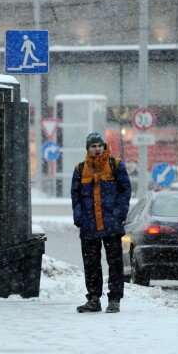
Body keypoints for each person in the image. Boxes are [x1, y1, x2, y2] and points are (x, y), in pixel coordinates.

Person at [71, 132, 131, 314]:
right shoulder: (80, 169)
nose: (97, 149)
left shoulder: (116, 165)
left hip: (111, 224)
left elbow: (125, 190)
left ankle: (114, 299)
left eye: (100, 145)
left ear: (104, 147)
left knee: (115, 263)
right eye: (93, 146)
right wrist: (79, 216)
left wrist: (119, 213)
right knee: (91, 264)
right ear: (88, 149)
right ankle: (94, 299)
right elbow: (76, 196)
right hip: (89, 225)